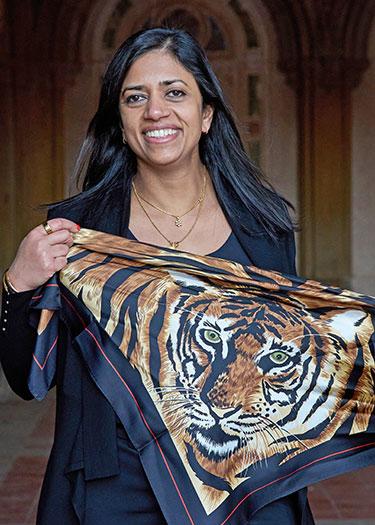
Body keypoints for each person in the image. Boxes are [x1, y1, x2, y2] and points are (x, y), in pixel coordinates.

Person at [0, 28, 315, 524]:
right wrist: (16, 284)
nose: (155, 111)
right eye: (135, 98)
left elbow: (289, 373)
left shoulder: (264, 230)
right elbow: (27, 380)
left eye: (175, 92)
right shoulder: (77, 231)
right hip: (115, 487)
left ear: (206, 114)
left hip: (242, 486)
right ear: (119, 121)